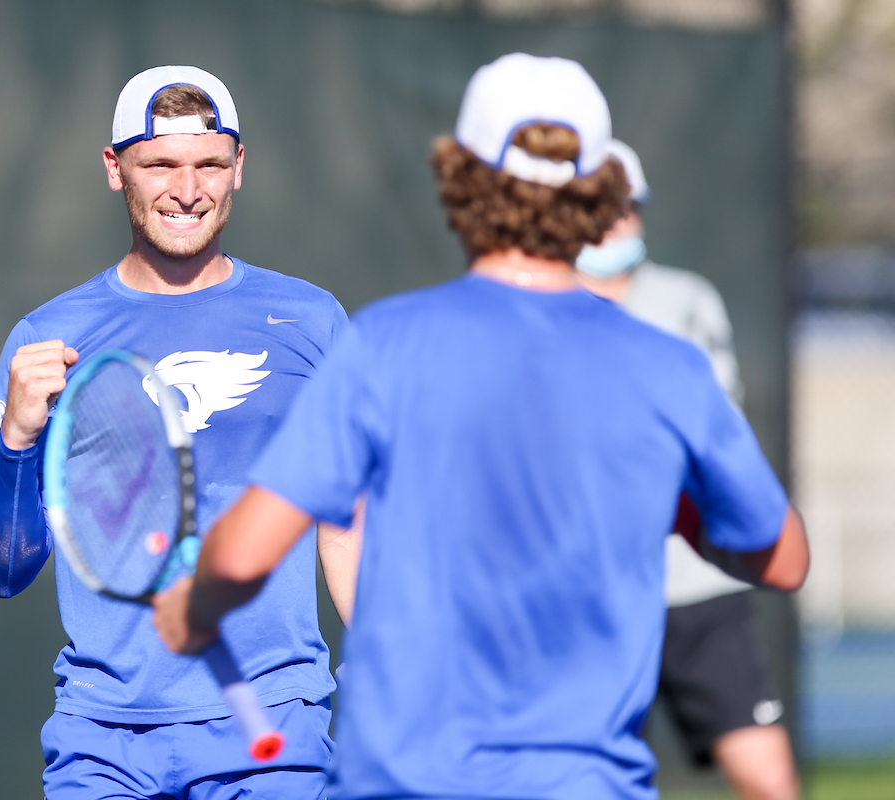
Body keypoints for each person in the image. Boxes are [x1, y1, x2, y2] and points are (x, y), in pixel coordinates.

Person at [152, 53, 810, 800]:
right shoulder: (669, 369)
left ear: (460, 178)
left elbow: (242, 555)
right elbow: (782, 560)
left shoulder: (384, 346)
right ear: (602, 193)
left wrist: (195, 606)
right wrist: (683, 513)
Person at [0, 65, 354, 800]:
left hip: (274, 732)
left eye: (209, 163)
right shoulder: (50, 338)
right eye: (160, 165)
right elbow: (3, 568)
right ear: (116, 171)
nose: (186, 188)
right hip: (101, 744)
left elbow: (348, 526)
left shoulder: (313, 323)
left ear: (240, 167)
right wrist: (17, 440)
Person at [576, 139, 801, 800]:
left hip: (695, 587)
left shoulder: (684, 301)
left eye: (624, 207)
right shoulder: (531, 313)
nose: (614, 222)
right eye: (595, 207)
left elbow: (714, 444)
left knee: (767, 773)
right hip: (592, 596)